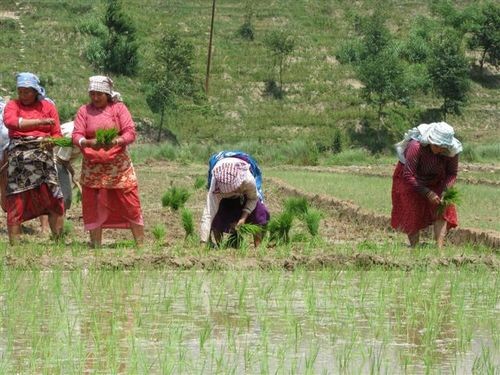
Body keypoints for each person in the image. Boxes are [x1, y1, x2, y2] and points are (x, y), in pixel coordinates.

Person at [72, 75, 144, 248]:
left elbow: (130, 132)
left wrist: (117, 141)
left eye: (99, 94)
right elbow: (76, 135)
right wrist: (87, 142)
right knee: (93, 203)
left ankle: (140, 245)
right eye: (92, 94)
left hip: (118, 167)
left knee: (130, 202)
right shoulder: (84, 111)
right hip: (92, 166)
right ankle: (96, 245)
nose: (95, 98)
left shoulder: (118, 108)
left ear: (108, 94)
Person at [2, 72, 65, 245]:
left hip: (43, 158)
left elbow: (57, 134)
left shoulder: (48, 106)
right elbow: (11, 122)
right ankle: (15, 244)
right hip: (19, 158)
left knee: (53, 197)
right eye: (20, 91)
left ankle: (58, 240)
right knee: (16, 198)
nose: (23, 95)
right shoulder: (12, 105)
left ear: (36, 91)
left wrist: (51, 141)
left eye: (27, 92)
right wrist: (40, 123)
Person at [391, 122, 463, 249]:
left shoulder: (452, 151)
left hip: (436, 178)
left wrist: (445, 190)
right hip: (411, 179)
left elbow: (452, 173)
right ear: (430, 140)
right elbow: (408, 175)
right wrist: (428, 193)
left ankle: (439, 249)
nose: (439, 149)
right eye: (436, 145)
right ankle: (415, 247)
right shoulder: (416, 146)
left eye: (443, 146)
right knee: (411, 208)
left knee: (442, 208)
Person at [200, 151, 270, 247]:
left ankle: (258, 249)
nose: (234, 192)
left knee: (258, 211)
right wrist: (203, 242)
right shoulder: (216, 185)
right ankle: (219, 247)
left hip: (246, 188)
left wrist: (243, 218)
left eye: (236, 189)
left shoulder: (247, 178)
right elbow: (208, 214)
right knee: (217, 215)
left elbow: (253, 199)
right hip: (222, 192)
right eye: (229, 192)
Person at [55, 121, 81, 210]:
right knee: (63, 197)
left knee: (65, 199)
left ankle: (61, 220)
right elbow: (61, 159)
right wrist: (73, 172)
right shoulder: (71, 135)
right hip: (55, 161)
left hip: (64, 161)